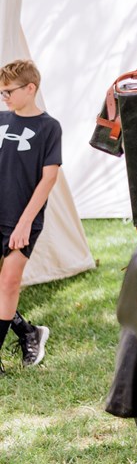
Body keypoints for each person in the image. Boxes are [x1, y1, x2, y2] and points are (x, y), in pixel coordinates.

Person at [0, 59, 59, 375]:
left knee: (9, 281)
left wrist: (24, 222)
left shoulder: (49, 128)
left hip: (23, 219)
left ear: (30, 88)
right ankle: (27, 331)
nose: (4, 97)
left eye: (8, 91)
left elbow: (48, 178)